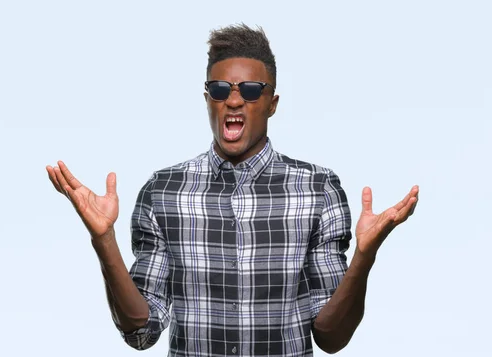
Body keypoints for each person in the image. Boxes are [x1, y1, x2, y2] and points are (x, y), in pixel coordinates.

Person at [46, 24, 419, 357]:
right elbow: (142, 332)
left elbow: (331, 337)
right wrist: (104, 240)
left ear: (272, 103)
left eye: (252, 90)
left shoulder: (318, 191)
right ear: (207, 98)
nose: (235, 100)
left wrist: (364, 258)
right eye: (221, 89)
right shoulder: (163, 192)